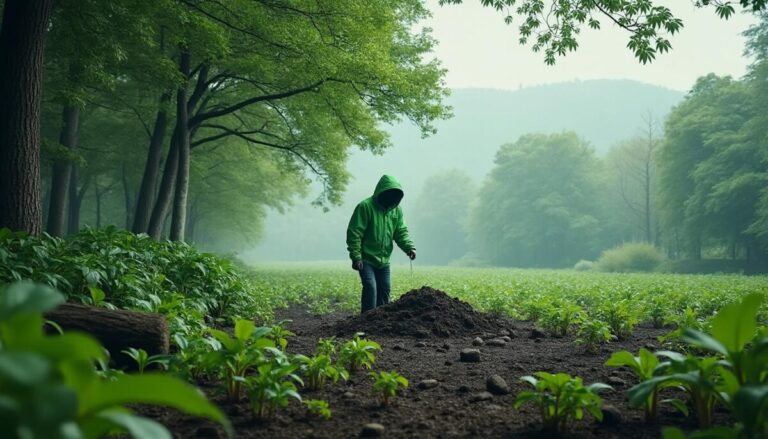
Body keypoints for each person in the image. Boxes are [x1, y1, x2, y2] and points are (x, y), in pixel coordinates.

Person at [346, 175, 416, 313]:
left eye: (394, 195)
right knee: (371, 287)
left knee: (384, 290)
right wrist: (356, 256)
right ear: (381, 192)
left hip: (384, 261)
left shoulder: (396, 211)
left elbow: (400, 232)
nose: (391, 197)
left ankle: (381, 323)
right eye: (389, 193)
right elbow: (355, 233)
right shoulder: (365, 207)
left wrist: (409, 247)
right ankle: (366, 321)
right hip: (365, 260)